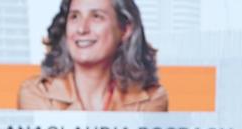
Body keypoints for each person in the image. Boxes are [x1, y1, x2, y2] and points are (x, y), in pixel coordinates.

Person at [18, 0, 167, 112]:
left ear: (125, 30)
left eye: (96, 16)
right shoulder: (36, 93)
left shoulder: (151, 98)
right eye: (74, 16)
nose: (82, 29)